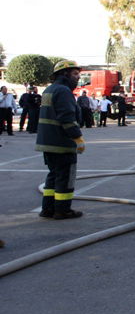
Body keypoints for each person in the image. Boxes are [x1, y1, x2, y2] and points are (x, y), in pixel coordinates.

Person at [36, 60, 86, 220]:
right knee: (65, 177)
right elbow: (67, 118)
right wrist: (78, 138)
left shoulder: (50, 90)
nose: (78, 78)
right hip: (62, 143)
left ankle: (48, 209)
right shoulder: (63, 91)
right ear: (65, 74)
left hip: (47, 143)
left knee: (53, 176)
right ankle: (62, 210)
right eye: (75, 74)